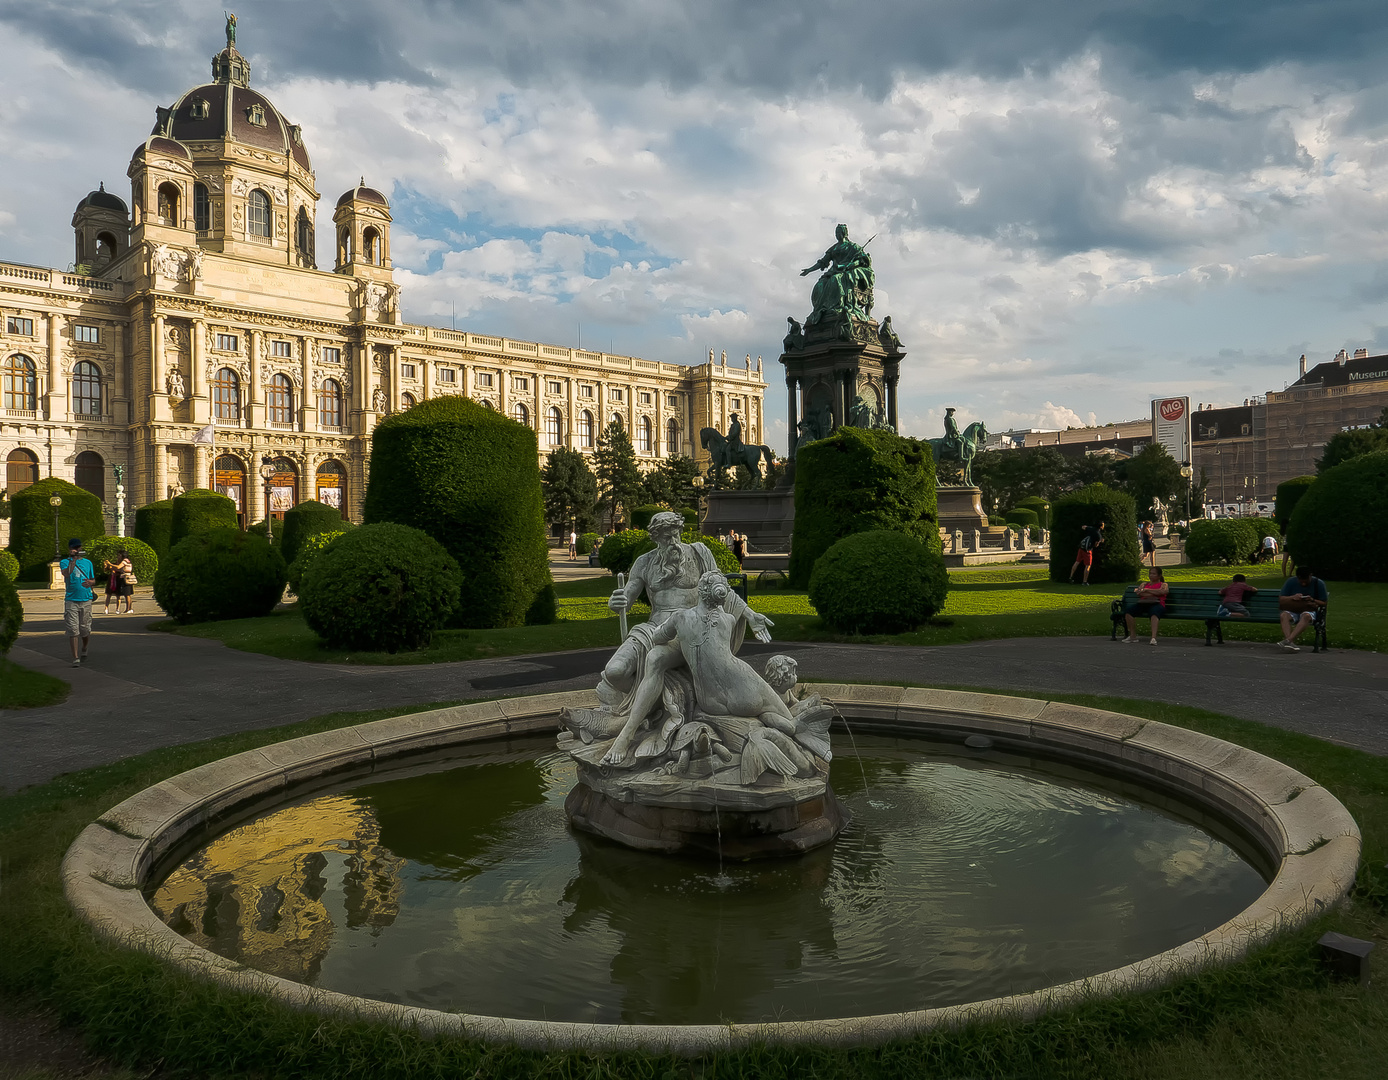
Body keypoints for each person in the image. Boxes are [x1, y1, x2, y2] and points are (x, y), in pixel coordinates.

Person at [601, 511, 773, 765]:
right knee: (614, 672)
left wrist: (749, 614)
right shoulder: (644, 563)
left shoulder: (699, 553)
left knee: (656, 660)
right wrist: (616, 603)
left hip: (692, 628)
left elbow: (721, 590)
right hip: (654, 628)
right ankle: (654, 707)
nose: (674, 542)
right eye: (667, 537)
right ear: (655, 538)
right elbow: (626, 599)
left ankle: (625, 737)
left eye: (677, 534)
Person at [59, 539, 96, 667]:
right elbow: (66, 574)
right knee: (73, 629)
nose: (77, 549)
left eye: (78, 547)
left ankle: (85, 647)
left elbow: (93, 579)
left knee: (85, 629)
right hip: (71, 600)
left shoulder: (87, 563)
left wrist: (91, 583)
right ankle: (75, 657)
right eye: (74, 548)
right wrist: (73, 560)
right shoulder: (65, 562)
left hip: (86, 599)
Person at [1278, 566, 1328, 652]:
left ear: (1310, 576)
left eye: (1306, 581)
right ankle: (1290, 642)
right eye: (1301, 581)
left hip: (1309, 609)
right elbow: (1281, 599)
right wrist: (1292, 597)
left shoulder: (1318, 583)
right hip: (1293, 608)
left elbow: (1324, 603)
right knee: (1284, 615)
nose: (1303, 583)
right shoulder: (1291, 582)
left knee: (1306, 616)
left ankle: (1288, 641)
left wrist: (1312, 599)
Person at [1121, 567, 1169, 645]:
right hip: (1144, 603)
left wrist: (1147, 590)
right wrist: (1155, 592)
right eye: (1150, 573)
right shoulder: (1144, 584)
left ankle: (1153, 638)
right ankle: (1132, 636)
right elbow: (1139, 593)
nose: (1151, 575)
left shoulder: (1163, 584)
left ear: (1159, 575)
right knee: (1129, 611)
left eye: (1154, 574)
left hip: (1157, 604)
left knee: (1154, 612)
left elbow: (1164, 591)